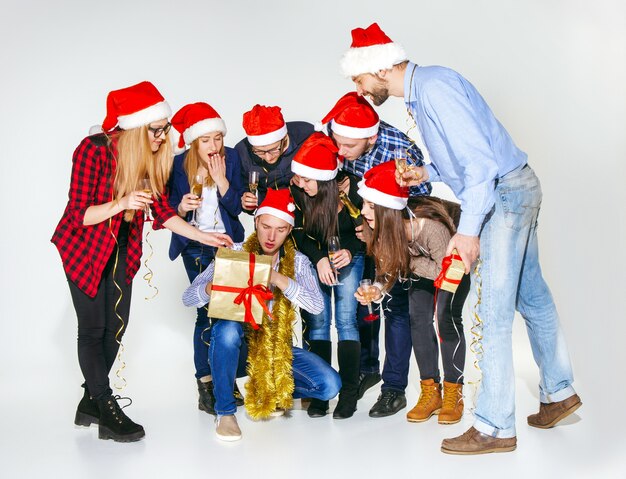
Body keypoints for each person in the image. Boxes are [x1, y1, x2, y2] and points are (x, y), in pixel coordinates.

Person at [342, 23, 580, 454]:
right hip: (517, 185)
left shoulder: (433, 89)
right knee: (533, 297)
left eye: (358, 80)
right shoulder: (427, 87)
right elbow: (464, 154)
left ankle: (494, 426)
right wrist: (426, 173)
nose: (358, 89)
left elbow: (480, 165)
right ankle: (559, 393)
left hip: (501, 195)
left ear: (378, 68)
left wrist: (468, 233)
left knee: (491, 312)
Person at [52, 81, 233, 443]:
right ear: (135, 128)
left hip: (122, 249)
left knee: (115, 328)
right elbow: (78, 215)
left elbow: (164, 211)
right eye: (157, 129)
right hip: (83, 247)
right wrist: (121, 203)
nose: (164, 136)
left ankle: (90, 402)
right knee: (92, 330)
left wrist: (204, 236)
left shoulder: (150, 159)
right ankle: (106, 407)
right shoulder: (93, 150)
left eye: (164, 128)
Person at [183, 188, 341, 441]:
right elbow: (188, 298)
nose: (271, 236)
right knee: (226, 329)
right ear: (256, 221)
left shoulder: (297, 261)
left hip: (276, 351)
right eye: (266, 226)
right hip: (238, 349)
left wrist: (278, 278)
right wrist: (210, 287)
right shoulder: (235, 251)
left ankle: (268, 388)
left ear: (289, 230)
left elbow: (316, 307)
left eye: (280, 230)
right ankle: (225, 412)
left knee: (329, 385)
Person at [315, 91, 432, 400]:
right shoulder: (338, 135)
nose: (339, 150)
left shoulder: (401, 150)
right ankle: (368, 368)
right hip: (356, 234)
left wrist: (384, 228)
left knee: (395, 310)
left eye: (348, 146)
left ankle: (394, 387)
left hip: (393, 236)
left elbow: (420, 198)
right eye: (337, 142)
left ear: (370, 138)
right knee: (362, 303)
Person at [355, 161, 470, 426]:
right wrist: (377, 289)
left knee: (445, 318)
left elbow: (443, 269)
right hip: (421, 269)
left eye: (370, 207)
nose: (363, 212)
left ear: (389, 209)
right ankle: (431, 391)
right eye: (364, 204)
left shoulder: (430, 228)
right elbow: (388, 272)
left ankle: (455, 393)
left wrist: (406, 262)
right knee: (417, 318)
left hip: (453, 265)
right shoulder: (380, 230)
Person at [169, 102, 246, 415]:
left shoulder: (232, 159)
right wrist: (183, 207)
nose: (214, 146)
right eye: (206, 140)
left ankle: (226, 383)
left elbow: (238, 207)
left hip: (228, 245)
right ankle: (206, 384)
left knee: (232, 314)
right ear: (192, 142)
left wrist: (223, 179)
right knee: (207, 314)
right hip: (196, 247)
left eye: (218, 138)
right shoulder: (177, 165)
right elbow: (168, 211)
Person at [289, 132, 364, 419]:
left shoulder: (350, 189)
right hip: (314, 259)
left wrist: (352, 249)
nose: (300, 182)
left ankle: (348, 393)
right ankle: (319, 393)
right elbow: (297, 234)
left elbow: (367, 229)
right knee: (318, 322)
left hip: (349, 257)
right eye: (299, 178)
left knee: (346, 321)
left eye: (307, 179)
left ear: (324, 177)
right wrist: (319, 259)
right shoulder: (297, 192)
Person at [236, 104, 313, 212]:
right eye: (259, 152)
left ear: (285, 137)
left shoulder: (308, 136)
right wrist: (245, 202)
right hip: (271, 218)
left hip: (310, 211)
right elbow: (241, 190)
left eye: (273, 149)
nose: (268, 157)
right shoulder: (242, 151)